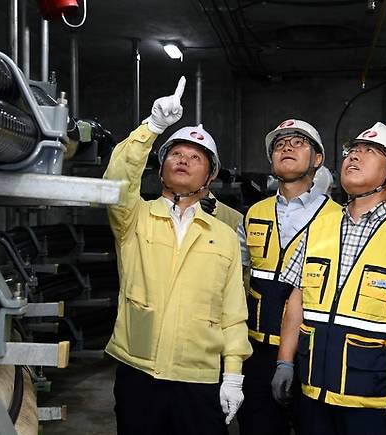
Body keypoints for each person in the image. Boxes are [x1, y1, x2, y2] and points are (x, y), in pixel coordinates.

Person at [273, 122, 386, 435]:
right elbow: (297, 299)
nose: (354, 157)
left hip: (372, 397)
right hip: (313, 391)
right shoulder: (318, 228)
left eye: (369, 152)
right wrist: (284, 361)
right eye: (352, 151)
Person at [103, 77, 252, 435]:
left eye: (196, 157)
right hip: (139, 372)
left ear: (211, 175)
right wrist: (152, 128)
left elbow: (233, 311)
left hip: (199, 378)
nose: (184, 160)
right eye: (176, 153)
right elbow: (118, 179)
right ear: (162, 166)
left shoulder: (223, 235)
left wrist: (232, 374)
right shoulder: (134, 217)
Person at [237, 119, 341, 435]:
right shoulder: (255, 213)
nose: (286, 147)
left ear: (318, 159)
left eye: (298, 142)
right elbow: (236, 277)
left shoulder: (337, 218)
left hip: (313, 352)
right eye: (280, 144)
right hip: (257, 349)